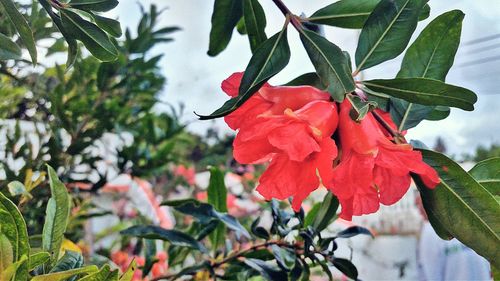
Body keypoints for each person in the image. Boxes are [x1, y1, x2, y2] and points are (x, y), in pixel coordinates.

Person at [416, 194, 491, 280]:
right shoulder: (472, 223)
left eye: (420, 204)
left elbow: (431, 273)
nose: (419, 210)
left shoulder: (431, 231)